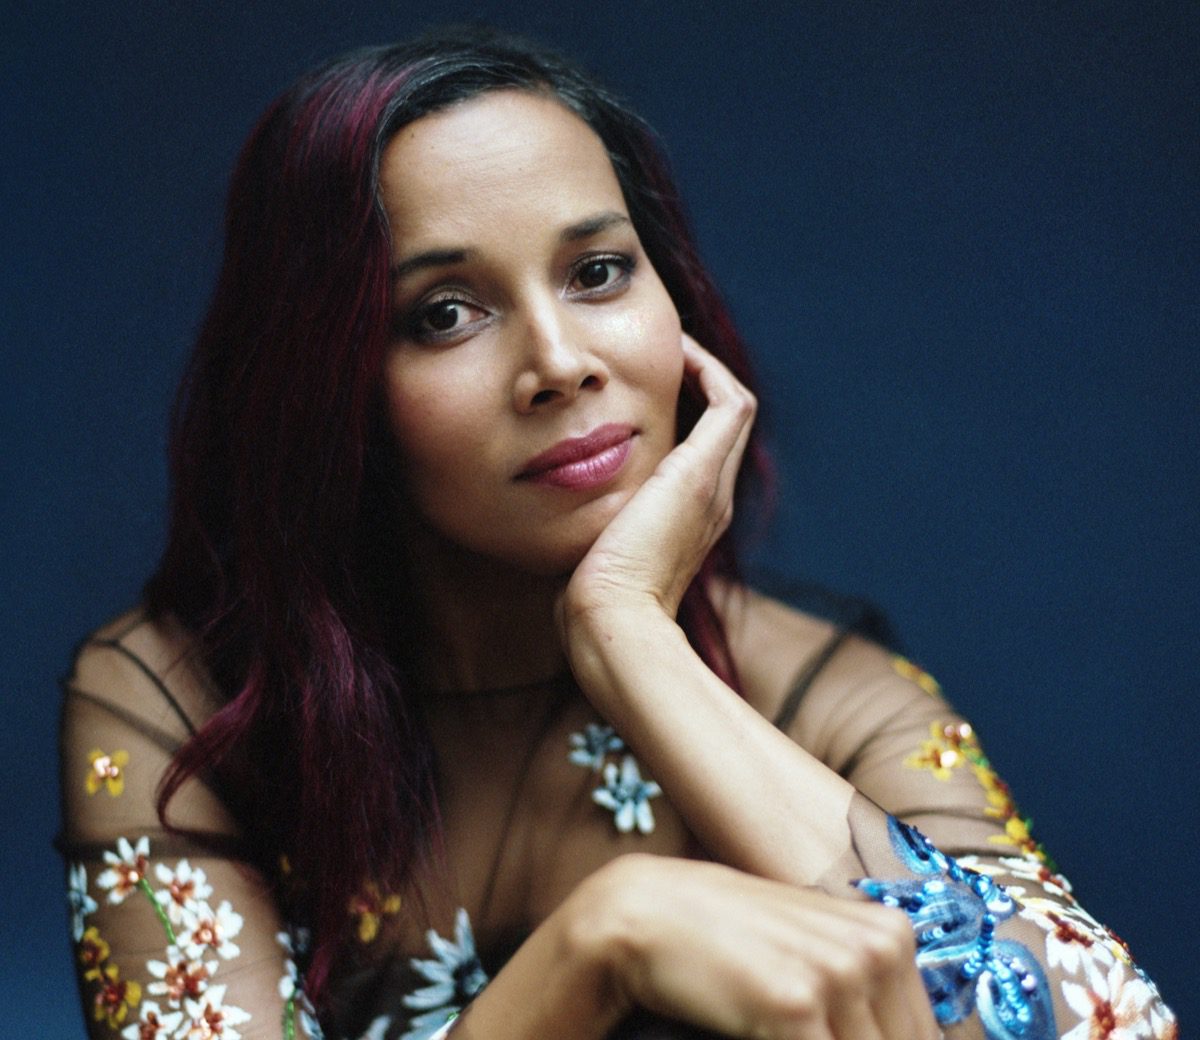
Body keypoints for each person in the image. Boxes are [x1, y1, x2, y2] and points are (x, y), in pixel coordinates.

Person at [58, 26, 1175, 1040]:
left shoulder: (824, 689)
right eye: (445, 312)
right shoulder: (180, 704)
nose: (559, 362)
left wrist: (631, 637)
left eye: (598, 272)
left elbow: (1103, 1028)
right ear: (325, 382)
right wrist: (603, 944)